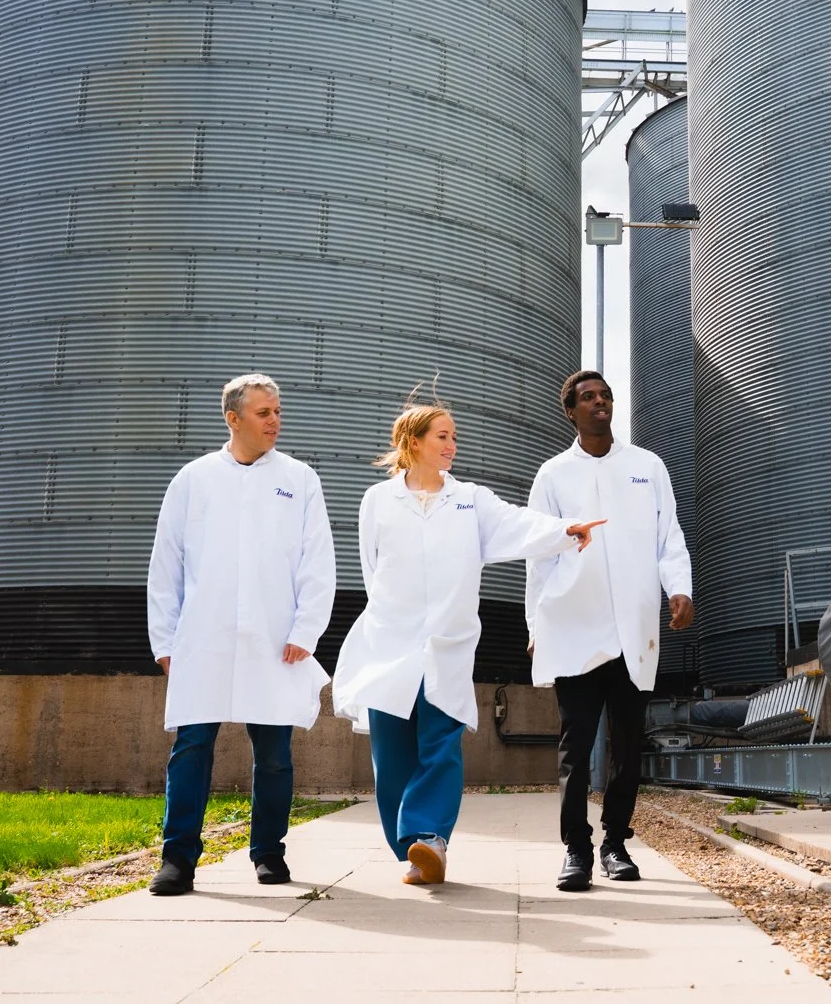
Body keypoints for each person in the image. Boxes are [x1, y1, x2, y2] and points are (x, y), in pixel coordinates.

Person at [332, 400, 602, 886]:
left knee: (440, 743)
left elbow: (517, 525)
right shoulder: (377, 500)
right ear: (412, 442)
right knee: (391, 754)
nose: (452, 445)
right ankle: (412, 848)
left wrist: (565, 530)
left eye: (453, 436)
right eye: (442, 436)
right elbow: (372, 568)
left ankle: (431, 839)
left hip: (448, 643)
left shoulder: (471, 499)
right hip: (390, 640)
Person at [145, 373, 336, 896]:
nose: (275, 420)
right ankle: (178, 858)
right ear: (233, 419)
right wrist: (164, 640)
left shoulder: (299, 478)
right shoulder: (193, 479)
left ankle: (268, 853)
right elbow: (167, 563)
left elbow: (317, 561)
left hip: (275, 638)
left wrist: (306, 629)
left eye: (277, 410)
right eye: (263, 413)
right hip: (202, 637)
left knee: (274, 750)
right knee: (192, 745)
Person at [526, 370, 695, 892]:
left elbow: (669, 535)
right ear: (570, 411)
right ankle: (575, 849)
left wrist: (679, 587)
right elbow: (539, 554)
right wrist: (537, 622)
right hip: (575, 627)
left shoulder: (647, 465)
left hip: (634, 629)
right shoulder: (553, 475)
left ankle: (615, 843)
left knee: (627, 745)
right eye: (588, 398)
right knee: (575, 749)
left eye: (606, 396)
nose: (600, 403)